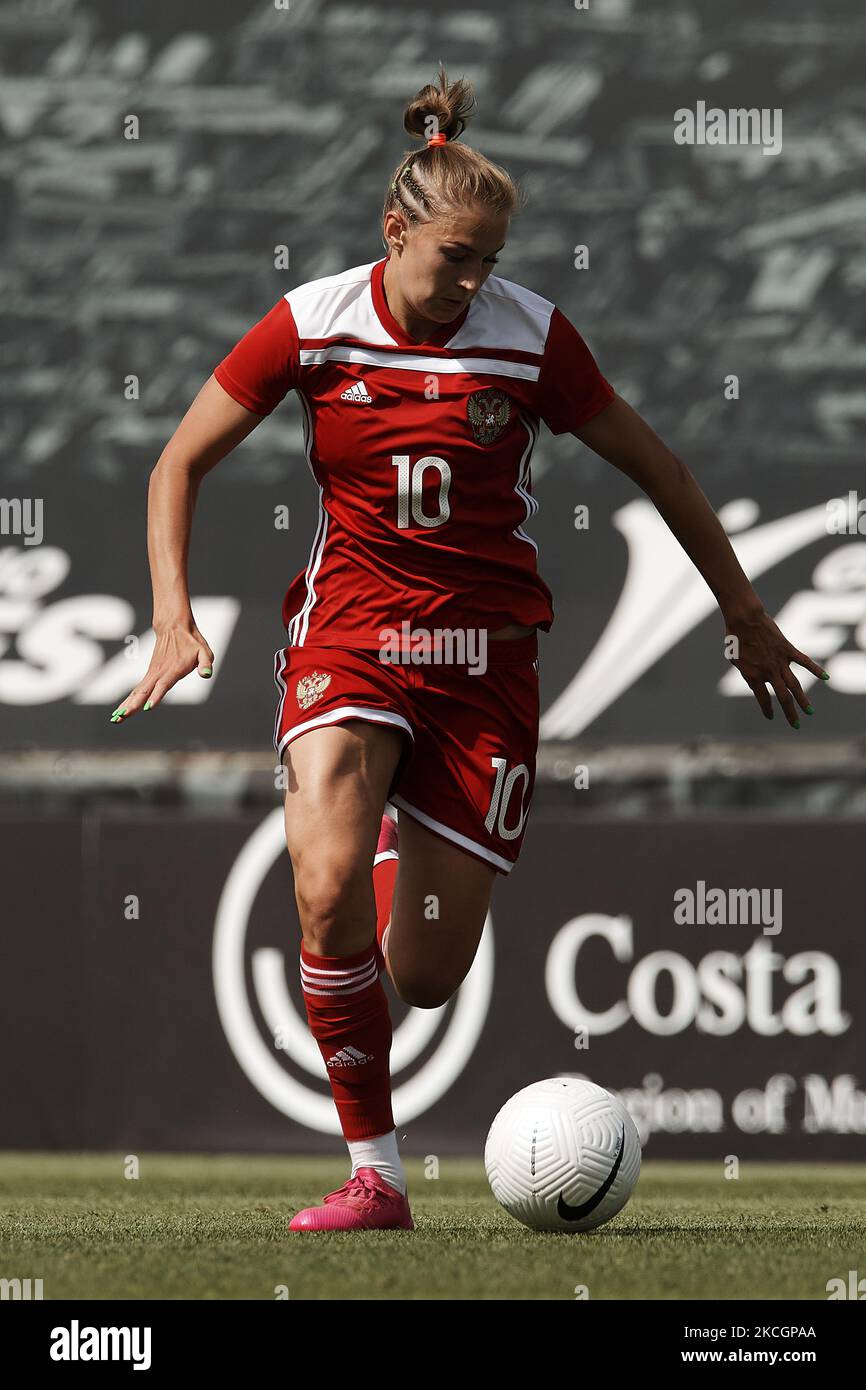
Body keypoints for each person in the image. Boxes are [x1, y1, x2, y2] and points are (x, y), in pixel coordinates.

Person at [110, 66, 828, 1232]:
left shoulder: (531, 338)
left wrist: (742, 613)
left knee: (427, 976)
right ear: (393, 233)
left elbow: (662, 473)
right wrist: (172, 613)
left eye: (489, 258)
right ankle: (376, 1178)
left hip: (484, 661)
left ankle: (391, 855)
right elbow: (176, 461)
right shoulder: (312, 324)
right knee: (322, 889)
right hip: (348, 633)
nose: (475, 278)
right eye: (456, 256)